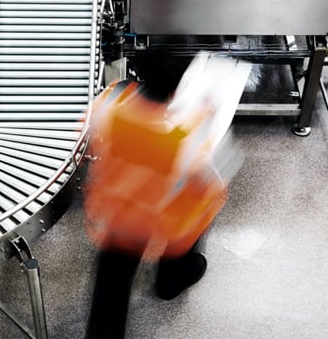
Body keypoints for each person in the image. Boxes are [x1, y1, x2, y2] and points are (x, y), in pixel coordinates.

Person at [83, 50, 228, 339]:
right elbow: (204, 177)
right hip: (161, 217)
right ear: (178, 86)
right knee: (188, 234)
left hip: (118, 216)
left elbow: (90, 138)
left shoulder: (110, 103)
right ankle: (172, 280)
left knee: (112, 286)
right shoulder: (183, 134)